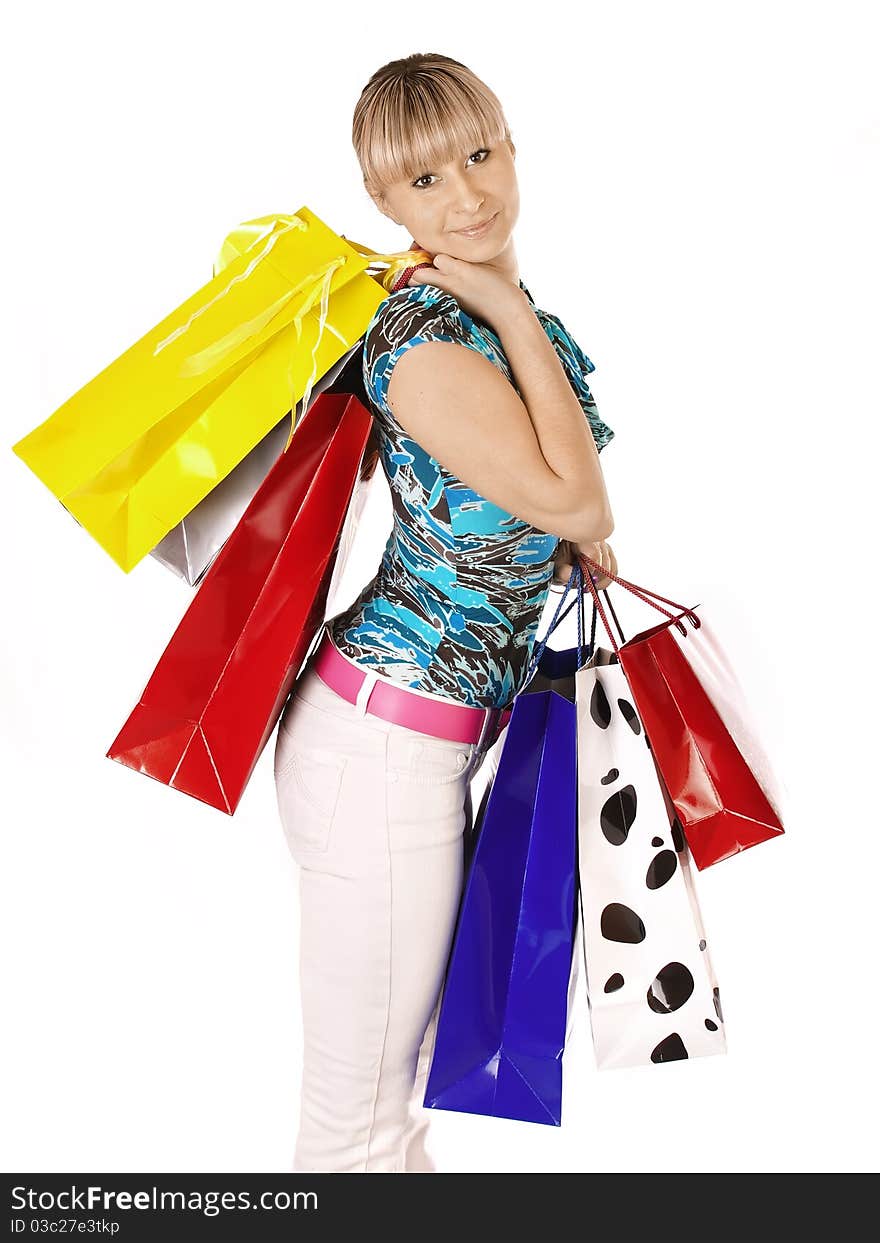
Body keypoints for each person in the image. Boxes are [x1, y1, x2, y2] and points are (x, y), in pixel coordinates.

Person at [273, 51, 617, 1174]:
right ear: (382, 202)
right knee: (356, 1136)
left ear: (512, 143)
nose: (467, 195)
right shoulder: (427, 339)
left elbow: (560, 514)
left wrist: (562, 537)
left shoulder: (493, 323)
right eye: (426, 182)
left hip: (432, 743)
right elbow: (575, 490)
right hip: (378, 748)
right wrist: (505, 307)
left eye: (480, 154)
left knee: (399, 1114)